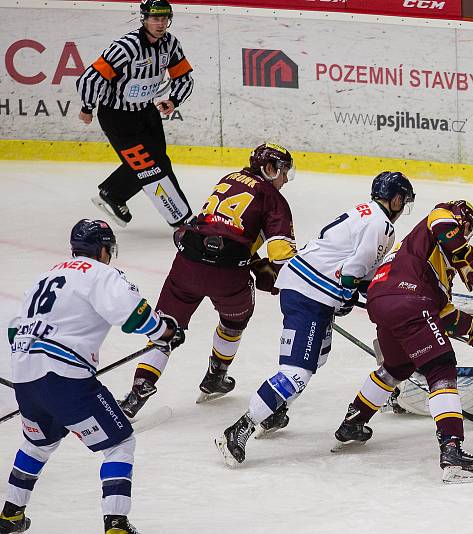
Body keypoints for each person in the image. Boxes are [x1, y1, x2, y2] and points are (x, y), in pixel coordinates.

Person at [215, 171, 415, 466]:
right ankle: (239, 429)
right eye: (403, 202)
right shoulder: (382, 225)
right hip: (311, 295)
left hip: (302, 287)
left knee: (317, 357)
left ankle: (275, 410)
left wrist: (349, 290)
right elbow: (353, 271)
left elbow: (350, 266)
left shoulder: (363, 212)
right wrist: (347, 293)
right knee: (297, 373)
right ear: (396, 198)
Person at [0, 219, 184, 534]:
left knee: (36, 445)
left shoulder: (45, 275)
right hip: (66, 379)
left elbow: (15, 329)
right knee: (119, 444)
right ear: (102, 249)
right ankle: (116, 525)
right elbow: (135, 316)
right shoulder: (102, 274)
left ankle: (10, 515)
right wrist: (166, 330)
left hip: (26, 377)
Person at [331, 200, 473, 484]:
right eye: (467, 229)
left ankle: (353, 422)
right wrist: (469, 259)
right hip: (410, 300)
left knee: (396, 366)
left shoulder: (433, 263)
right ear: (461, 221)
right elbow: (443, 224)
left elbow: (448, 319)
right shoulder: (440, 217)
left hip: (382, 301)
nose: (466, 236)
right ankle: (452, 452)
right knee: (441, 367)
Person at [117, 142, 297, 419]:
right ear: (270, 169)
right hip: (227, 278)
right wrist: (285, 282)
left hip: (187, 264)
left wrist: (254, 260)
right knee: (233, 323)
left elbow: (220, 230)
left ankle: (140, 388)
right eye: (283, 171)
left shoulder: (228, 179)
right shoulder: (274, 198)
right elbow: (282, 256)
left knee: (164, 328)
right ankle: (216, 375)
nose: (285, 179)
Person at [76, 0, 194, 228]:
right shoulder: (126, 47)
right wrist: (87, 107)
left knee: (159, 161)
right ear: (144, 19)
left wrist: (174, 99)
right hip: (117, 117)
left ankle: (113, 193)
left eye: (164, 19)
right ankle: (182, 220)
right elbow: (90, 78)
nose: (160, 24)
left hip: (146, 113)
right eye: (154, 19)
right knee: (150, 167)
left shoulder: (170, 43)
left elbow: (184, 77)